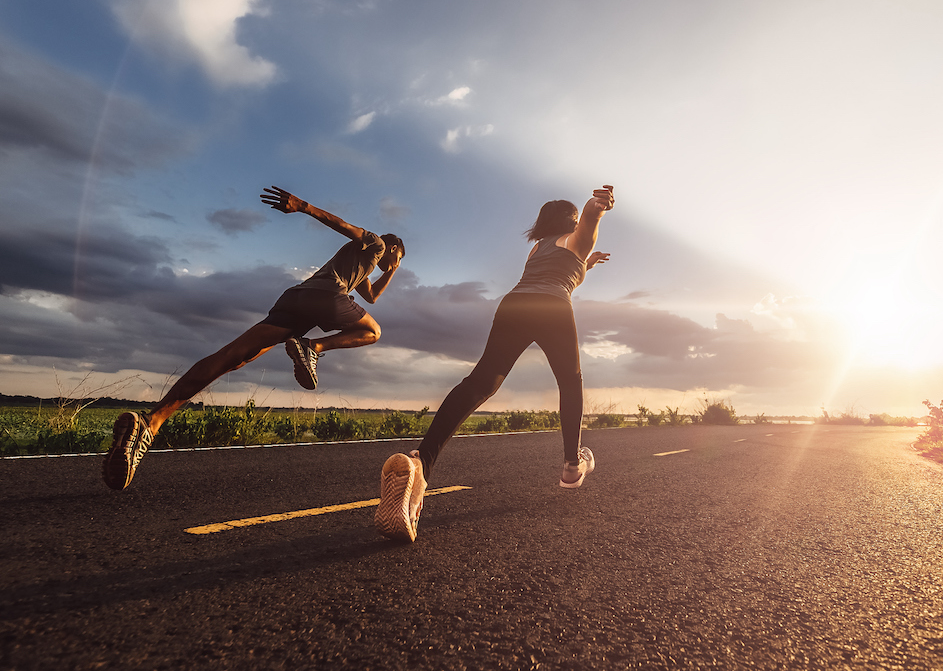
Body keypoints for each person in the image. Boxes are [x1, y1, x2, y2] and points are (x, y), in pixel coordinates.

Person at [102, 186, 405, 490]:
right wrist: (304, 206)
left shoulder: (362, 267)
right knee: (372, 331)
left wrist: (392, 271)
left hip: (295, 300)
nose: (394, 262)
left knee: (232, 358)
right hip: (325, 298)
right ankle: (312, 347)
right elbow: (346, 227)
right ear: (392, 249)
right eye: (398, 258)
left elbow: (373, 296)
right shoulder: (377, 243)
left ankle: (150, 423)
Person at [374, 184, 615, 542]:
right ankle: (571, 464)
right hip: (552, 308)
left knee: (480, 383)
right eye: (576, 219)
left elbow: (562, 274)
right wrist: (596, 207)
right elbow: (583, 236)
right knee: (570, 381)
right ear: (569, 220)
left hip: (514, 304)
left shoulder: (537, 250)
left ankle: (420, 464)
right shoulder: (576, 237)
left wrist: (587, 264)